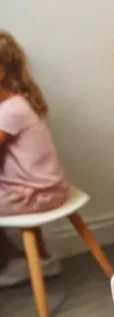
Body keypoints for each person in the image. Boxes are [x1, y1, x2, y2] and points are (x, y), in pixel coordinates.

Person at [0, 31, 66, 286]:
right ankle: (42, 258)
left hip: (38, 193)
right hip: (42, 188)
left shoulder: (10, 111)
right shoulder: (15, 104)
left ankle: (16, 260)